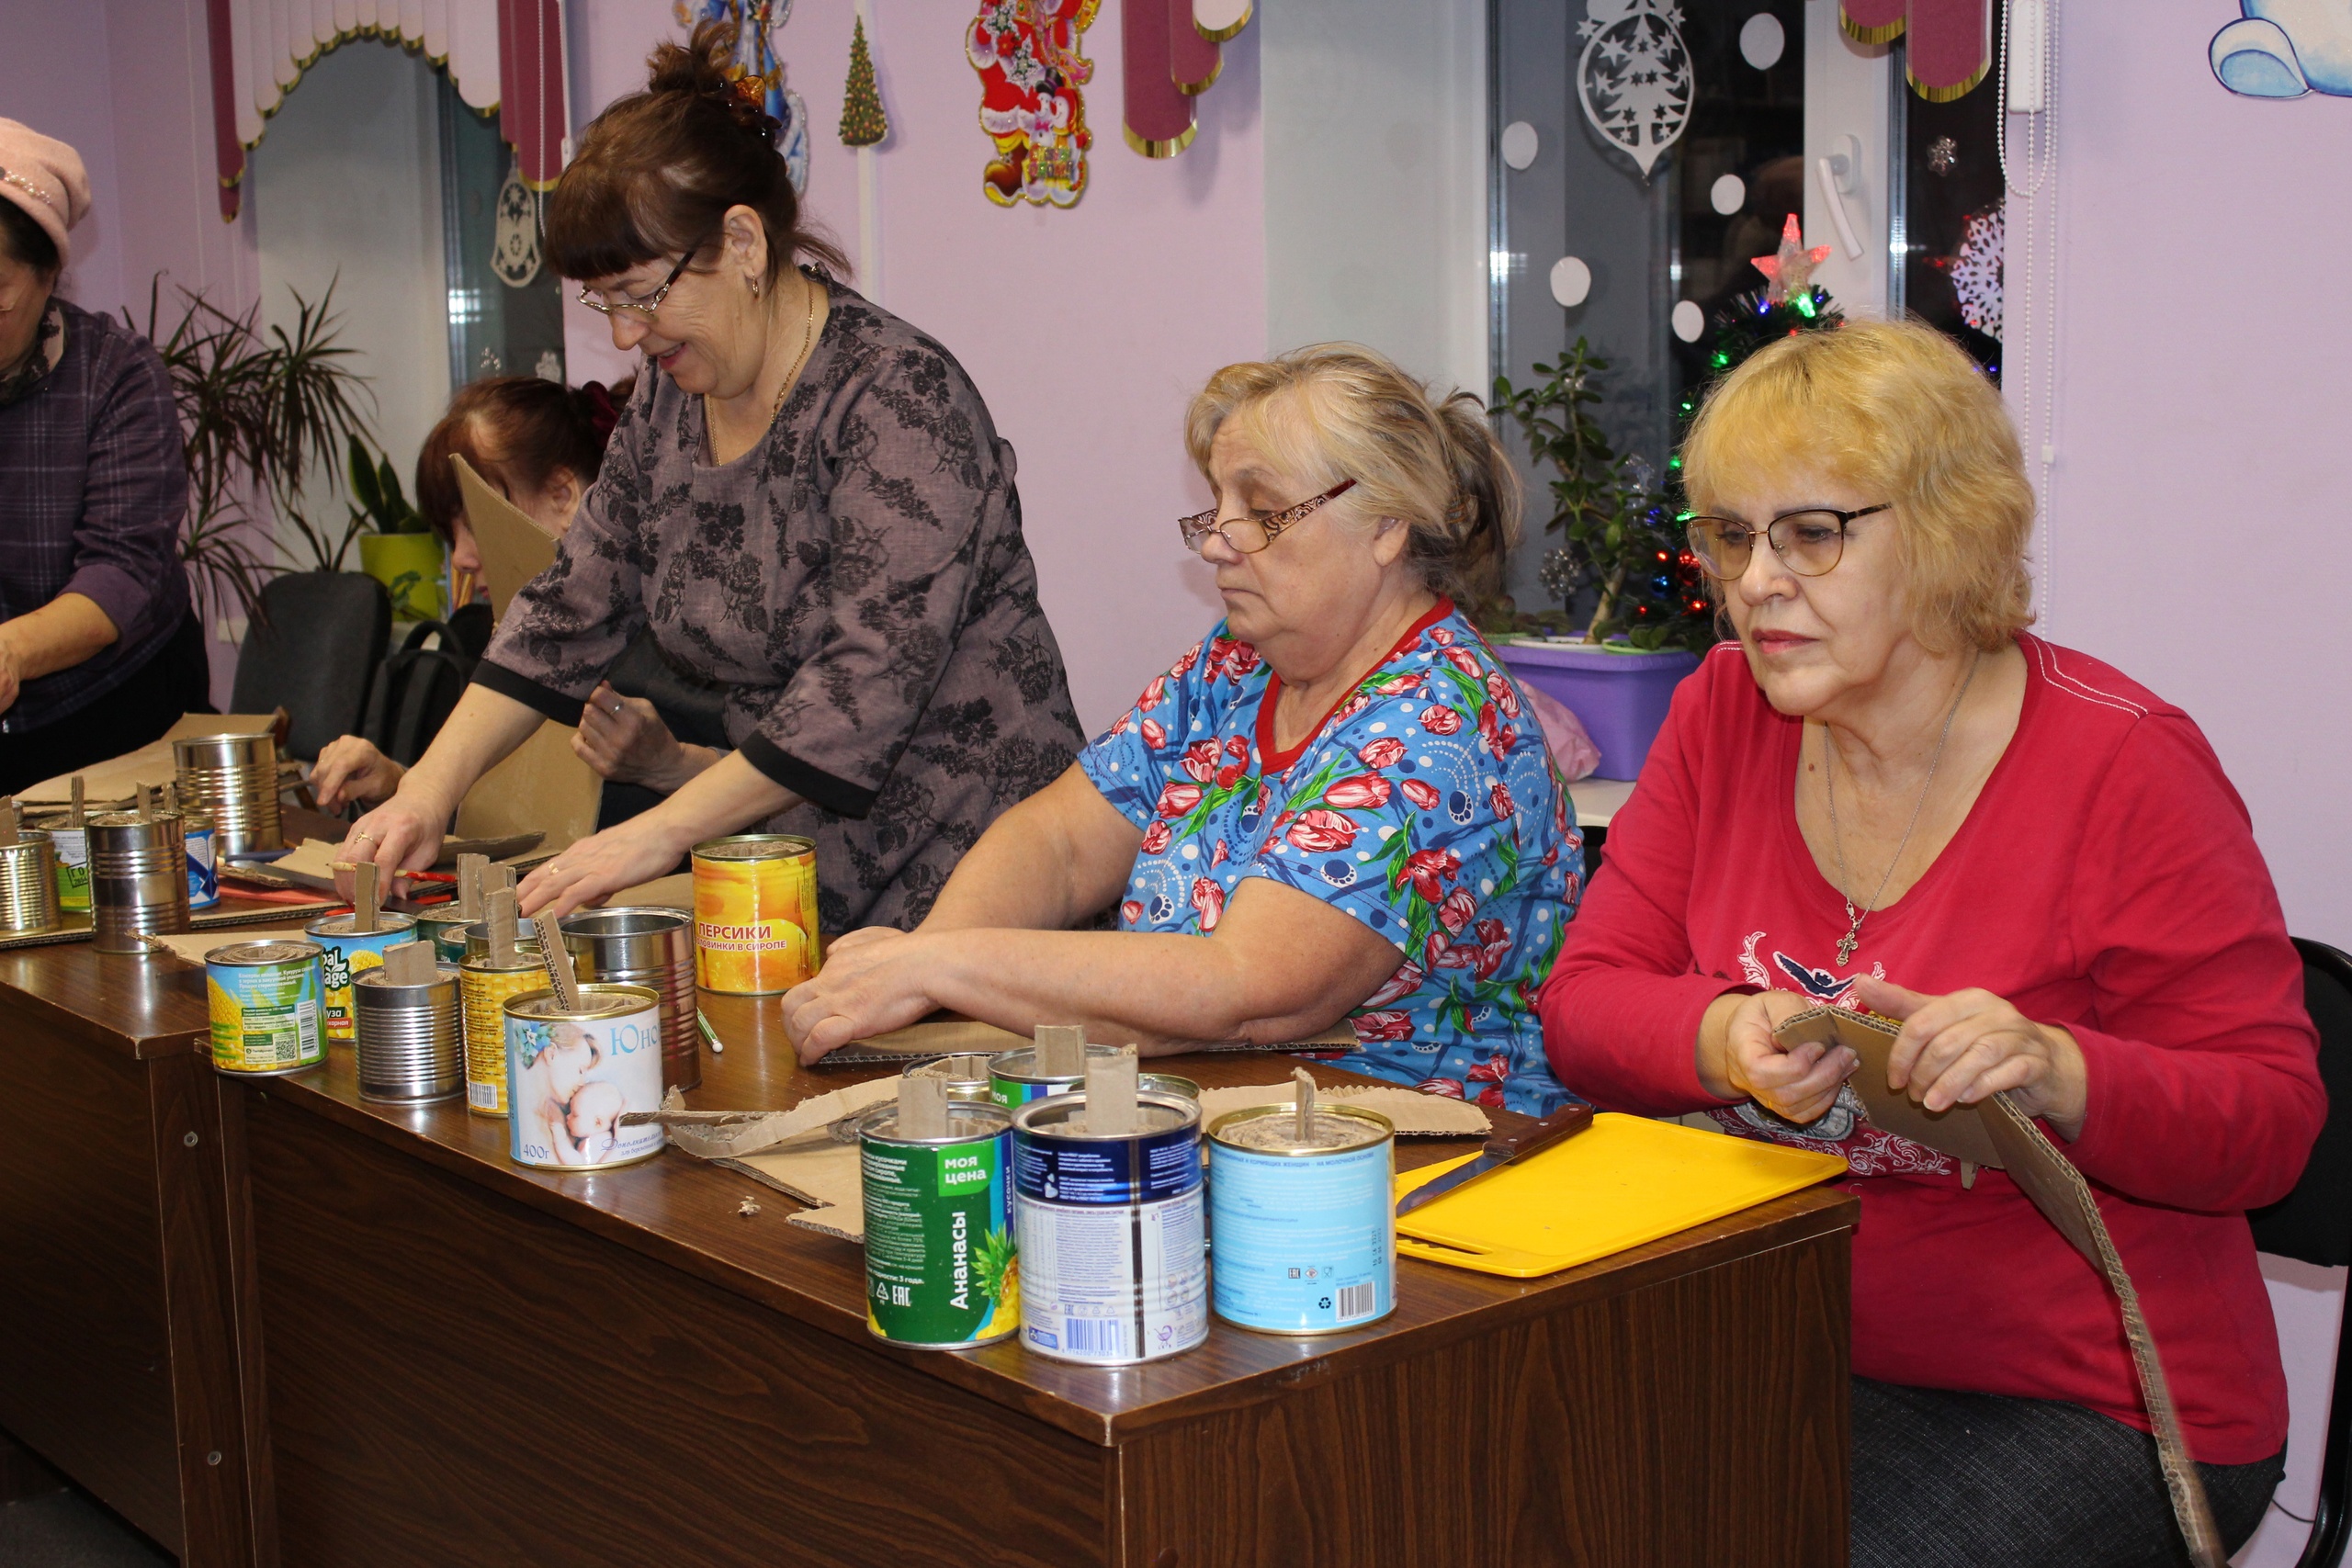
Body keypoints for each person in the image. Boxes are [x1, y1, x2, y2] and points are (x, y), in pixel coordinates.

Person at [1536, 319, 2321, 1565]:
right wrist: (1723, 1033)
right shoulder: (1721, 712)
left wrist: (2059, 1066)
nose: (1754, 581)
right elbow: (1582, 1006)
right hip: (1793, 1344)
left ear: (1949, 529)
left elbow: (2272, 1120)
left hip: (2101, 1400)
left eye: (1811, 532)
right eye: (1732, 534)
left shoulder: (2125, 762)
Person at [335, 21, 1083, 931]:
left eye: (641, 295)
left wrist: (654, 837)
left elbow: (860, 692)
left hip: (979, 874)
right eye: (602, 302)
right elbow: (569, 605)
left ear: (741, 242)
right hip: (792, 867)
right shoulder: (668, 400)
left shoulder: (898, 399)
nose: (622, 335)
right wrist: (427, 793)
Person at [782, 345, 1583, 1112]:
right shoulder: (1233, 666)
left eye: (1262, 512)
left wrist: (937, 963)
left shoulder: (1442, 729)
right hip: (1214, 1123)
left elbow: (1245, 991)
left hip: (1407, 1167)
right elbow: (1060, 843)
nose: (1212, 543)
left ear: (1385, 528)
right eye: (1216, 506)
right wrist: (912, 983)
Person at [311, 375, 730, 819]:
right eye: (448, 532)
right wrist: (400, 787)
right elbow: (508, 816)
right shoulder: (507, 647)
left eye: (475, 519)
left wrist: (673, 764)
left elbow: (786, 785)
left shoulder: (676, 630)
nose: (462, 559)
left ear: (563, 496)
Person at [0, 119, 208, 792]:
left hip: (115, 704)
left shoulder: (115, 373)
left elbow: (120, 574)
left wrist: (9, 648)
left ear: (50, 273)